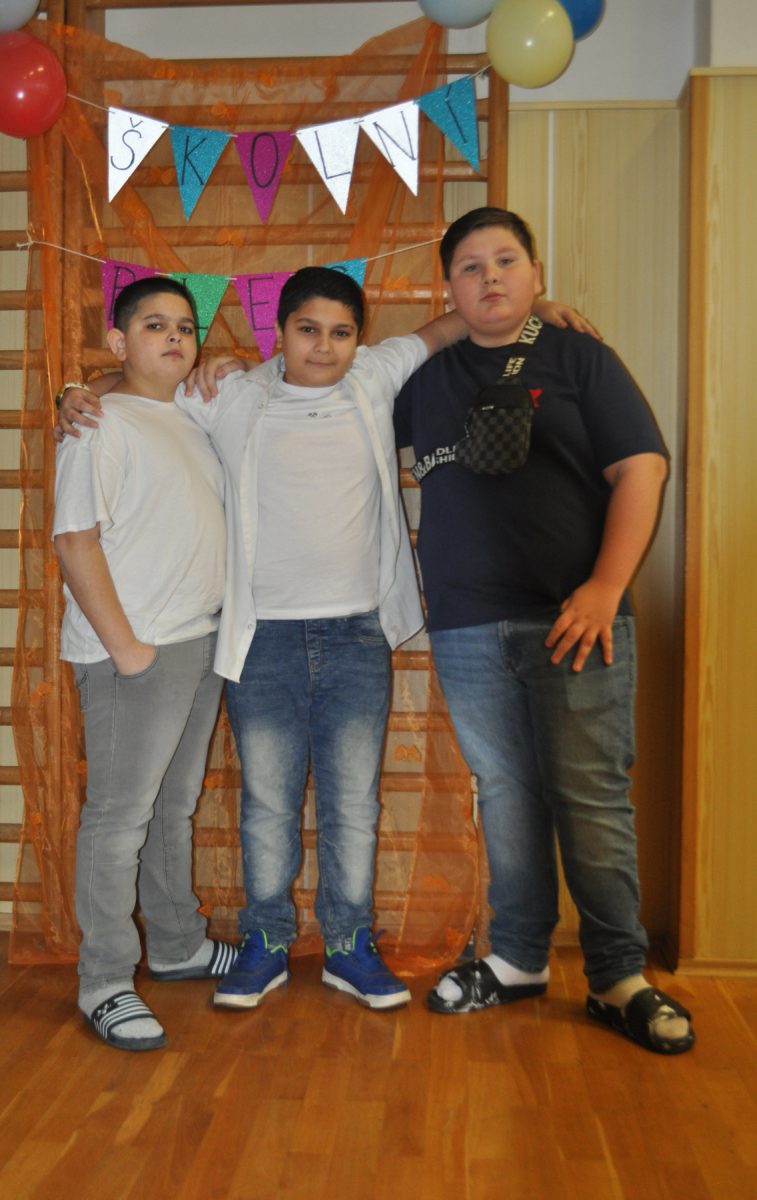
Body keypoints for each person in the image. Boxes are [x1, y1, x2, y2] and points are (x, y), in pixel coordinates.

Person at [56, 267, 591, 1014]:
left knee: (352, 803)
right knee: (266, 805)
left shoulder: (373, 375)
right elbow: (145, 384)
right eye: (308, 330)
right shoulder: (230, 394)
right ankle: (265, 940)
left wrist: (530, 310)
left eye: (341, 333)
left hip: (356, 635)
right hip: (261, 638)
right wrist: (78, 390)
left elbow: (443, 327)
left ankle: (348, 945)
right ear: (279, 333)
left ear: (359, 339)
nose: (324, 346)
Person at [393, 207, 694, 1054]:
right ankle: (518, 957)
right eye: (469, 267)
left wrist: (604, 587)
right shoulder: (421, 380)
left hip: (574, 620)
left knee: (589, 796)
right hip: (464, 625)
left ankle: (616, 976)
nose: (489, 277)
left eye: (506, 261)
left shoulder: (578, 356)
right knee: (505, 793)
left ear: (536, 274)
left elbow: (642, 468)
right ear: (447, 288)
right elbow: (326, 397)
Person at [53, 277, 237, 1052]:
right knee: (119, 816)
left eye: (185, 327)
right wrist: (127, 648)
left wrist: (227, 356)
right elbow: (74, 539)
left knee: (173, 806)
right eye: (154, 325)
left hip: (198, 640)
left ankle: (176, 942)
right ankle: (103, 978)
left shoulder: (191, 413)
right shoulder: (95, 424)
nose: (174, 338)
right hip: (134, 650)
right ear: (118, 341)